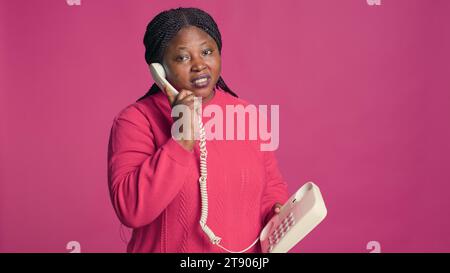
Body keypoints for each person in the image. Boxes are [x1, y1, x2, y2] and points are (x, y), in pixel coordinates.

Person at [107, 7, 289, 253]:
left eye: (207, 52)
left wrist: (275, 211)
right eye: (182, 57)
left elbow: (270, 187)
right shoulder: (135, 121)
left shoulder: (247, 114)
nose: (199, 65)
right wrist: (181, 138)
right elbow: (131, 210)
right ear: (158, 69)